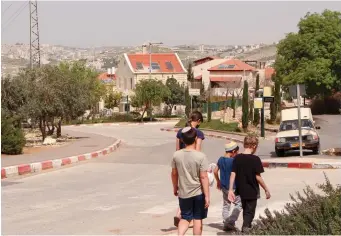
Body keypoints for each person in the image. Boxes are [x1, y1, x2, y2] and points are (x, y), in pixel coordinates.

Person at [171, 127, 210, 236]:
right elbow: (203, 177)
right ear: (196, 138)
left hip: (184, 193)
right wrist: (207, 196)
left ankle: (180, 234)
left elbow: (174, 174)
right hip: (198, 193)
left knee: (185, 217)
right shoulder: (201, 156)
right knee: (197, 218)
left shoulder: (176, 155)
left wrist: (175, 187)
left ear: (182, 140)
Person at [228, 136, 271, 233]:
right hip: (252, 190)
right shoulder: (255, 159)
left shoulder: (237, 158)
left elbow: (233, 173)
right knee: (250, 211)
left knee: (245, 209)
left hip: (241, 190)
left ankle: (247, 226)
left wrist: (231, 189)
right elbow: (258, 177)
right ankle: (246, 228)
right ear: (254, 146)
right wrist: (266, 189)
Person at [174, 111, 205, 227]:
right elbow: (197, 150)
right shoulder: (198, 133)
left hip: (180, 162)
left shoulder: (180, 132)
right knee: (194, 191)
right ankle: (189, 218)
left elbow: (177, 149)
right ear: (198, 121)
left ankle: (179, 213)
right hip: (193, 164)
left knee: (183, 189)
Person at [213, 141, 242, 231]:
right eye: (236, 152)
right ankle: (230, 221)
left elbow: (215, 171)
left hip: (223, 186)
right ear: (233, 151)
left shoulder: (221, 159)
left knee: (226, 205)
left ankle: (226, 222)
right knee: (239, 204)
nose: (237, 154)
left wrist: (218, 181)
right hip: (232, 187)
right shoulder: (234, 161)